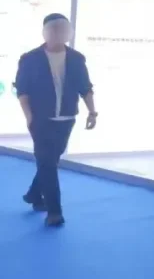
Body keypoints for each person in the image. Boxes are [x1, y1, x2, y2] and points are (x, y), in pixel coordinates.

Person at [14, 13, 97, 228]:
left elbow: (85, 87)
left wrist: (92, 112)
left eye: (63, 29)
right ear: (46, 32)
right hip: (40, 119)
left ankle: (34, 194)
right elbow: (22, 91)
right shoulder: (30, 58)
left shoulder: (77, 58)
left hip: (67, 118)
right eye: (55, 29)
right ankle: (54, 212)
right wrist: (29, 116)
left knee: (50, 160)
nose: (59, 33)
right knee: (48, 162)